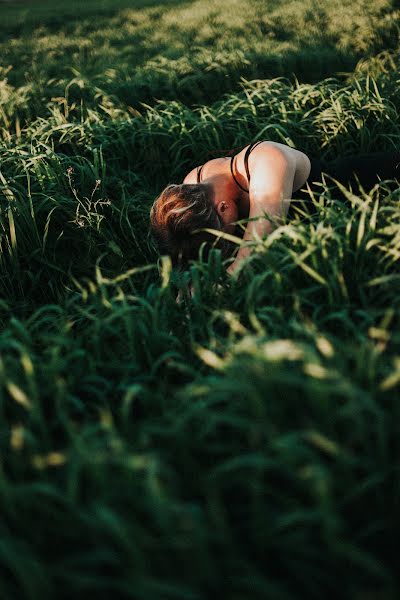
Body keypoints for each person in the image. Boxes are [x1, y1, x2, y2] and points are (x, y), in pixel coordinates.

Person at [150, 141, 400, 274]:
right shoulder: (192, 185)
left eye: (222, 237)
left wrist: (211, 292)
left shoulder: (268, 163)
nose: (226, 245)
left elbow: (253, 254)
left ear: (224, 208)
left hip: (372, 186)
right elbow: (196, 253)